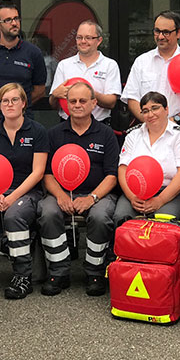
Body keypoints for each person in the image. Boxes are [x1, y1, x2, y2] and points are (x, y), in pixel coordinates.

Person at [38, 81, 119, 296]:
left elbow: (112, 176)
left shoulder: (106, 134)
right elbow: (47, 174)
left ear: (94, 104)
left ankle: (95, 272)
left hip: (97, 194)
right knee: (47, 213)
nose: (77, 105)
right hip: (60, 192)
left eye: (83, 101)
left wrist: (91, 198)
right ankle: (59, 271)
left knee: (101, 217)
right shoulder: (54, 134)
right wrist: (61, 196)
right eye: (72, 101)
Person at [0, 83, 48, 300]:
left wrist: (13, 197)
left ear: (23, 103)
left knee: (14, 216)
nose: (10, 104)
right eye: (5, 100)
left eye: (15, 99)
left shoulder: (38, 131)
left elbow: (38, 172)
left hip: (27, 191)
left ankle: (22, 276)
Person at [115, 91, 180, 224]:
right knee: (121, 217)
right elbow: (122, 169)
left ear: (166, 109)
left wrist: (160, 200)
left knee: (162, 221)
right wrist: (132, 197)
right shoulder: (133, 135)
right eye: (145, 111)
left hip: (169, 192)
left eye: (155, 108)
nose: (150, 114)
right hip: (135, 192)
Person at [121, 11, 180, 125]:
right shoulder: (142, 61)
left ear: (178, 33)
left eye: (166, 32)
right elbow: (131, 98)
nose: (160, 36)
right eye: (157, 31)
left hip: (179, 128)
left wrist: (175, 120)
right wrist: (149, 121)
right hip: (147, 129)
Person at [48, 20, 122, 125]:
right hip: (67, 126)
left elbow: (111, 102)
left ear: (99, 40)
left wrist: (88, 93)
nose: (83, 41)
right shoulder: (64, 65)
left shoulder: (109, 65)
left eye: (88, 38)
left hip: (99, 125)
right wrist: (55, 95)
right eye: (79, 37)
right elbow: (53, 105)